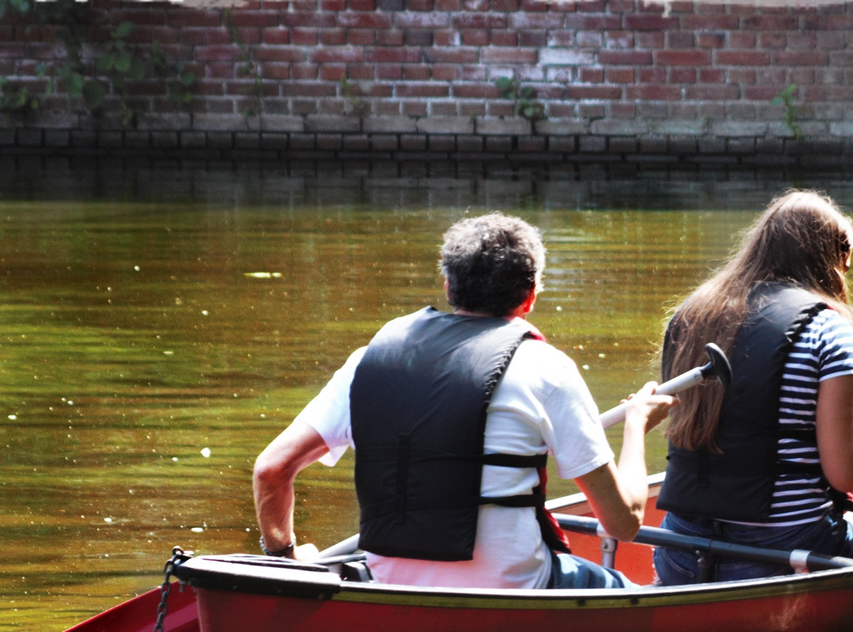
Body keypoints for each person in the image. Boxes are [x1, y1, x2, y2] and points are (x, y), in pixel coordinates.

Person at [252, 212, 673, 589]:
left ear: (449, 285)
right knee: (624, 588)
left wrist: (285, 559)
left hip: (390, 585)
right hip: (512, 587)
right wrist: (636, 424)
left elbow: (271, 470)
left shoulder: (369, 362)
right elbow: (623, 524)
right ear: (530, 297)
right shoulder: (548, 369)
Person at [654, 190, 853, 585]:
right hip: (786, 550)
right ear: (832, 262)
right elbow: (849, 471)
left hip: (678, 553)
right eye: (846, 267)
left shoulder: (689, 317)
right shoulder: (826, 331)